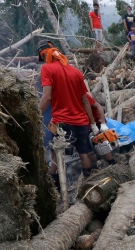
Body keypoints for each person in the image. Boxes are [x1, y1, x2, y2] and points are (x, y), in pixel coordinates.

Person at [37, 40, 96, 188]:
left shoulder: (47, 69)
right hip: (81, 121)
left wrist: (36, 115)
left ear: (45, 55)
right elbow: (85, 101)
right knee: (83, 152)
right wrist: (92, 123)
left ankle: (55, 185)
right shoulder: (75, 71)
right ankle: (89, 182)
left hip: (61, 121)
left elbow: (46, 97)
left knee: (55, 153)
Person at [85, 92, 116, 165]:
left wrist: (103, 124)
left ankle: (112, 163)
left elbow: (99, 107)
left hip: (96, 123)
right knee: (89, 150)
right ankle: (96, 165)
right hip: (85, 125)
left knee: (102, 145)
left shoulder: (83, 96)